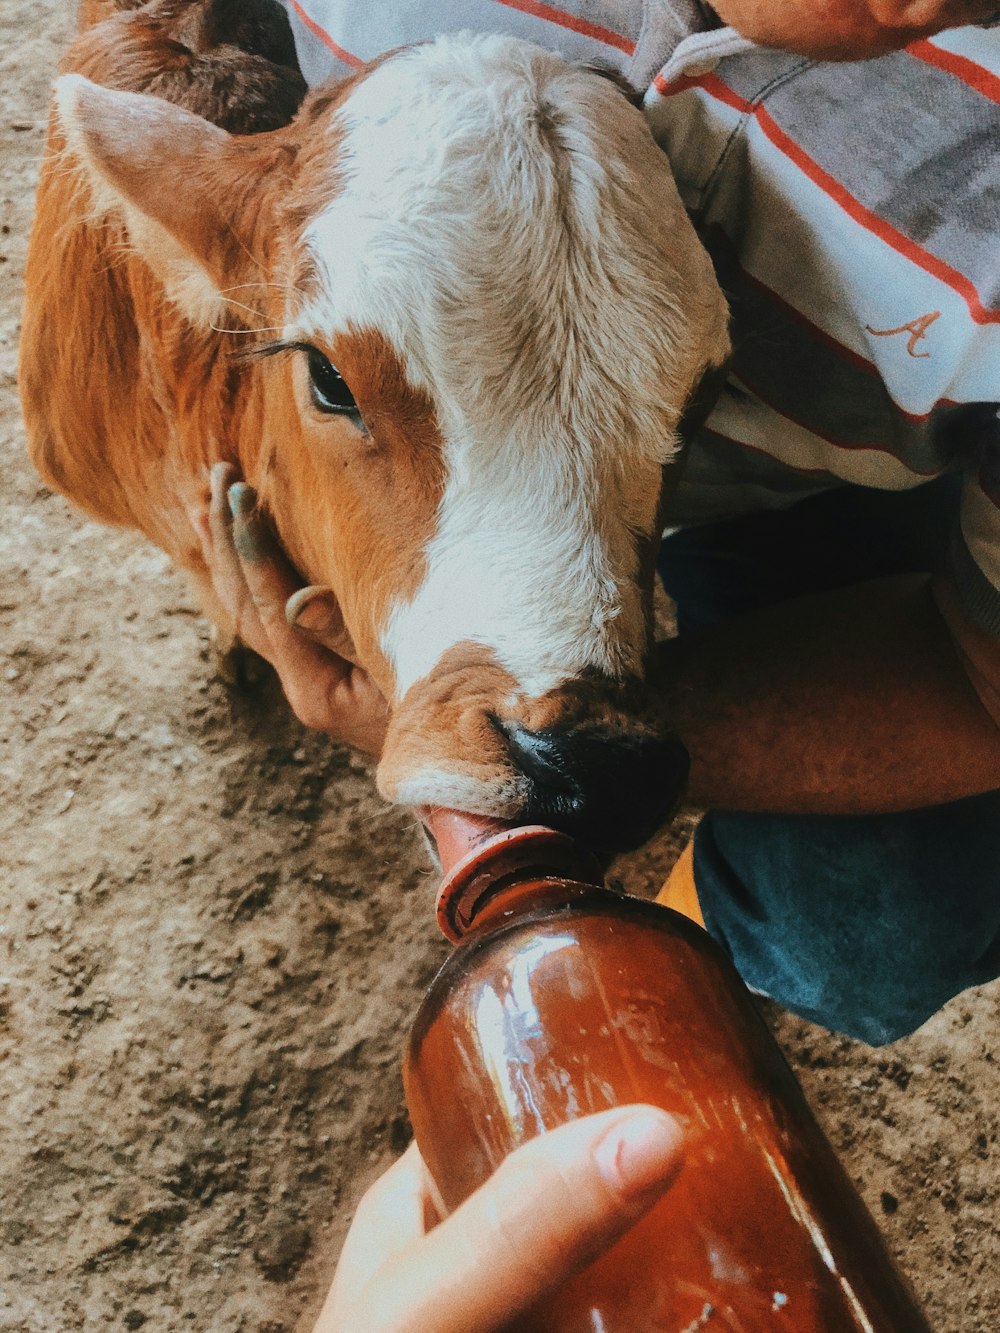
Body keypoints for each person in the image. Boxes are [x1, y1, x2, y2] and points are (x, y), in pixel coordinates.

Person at [193, 1, 1000, 1326]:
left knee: (872, 928)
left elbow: (985, 682)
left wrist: (528, 719)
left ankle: (659, 951)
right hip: (504, 435)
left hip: (850, 492)